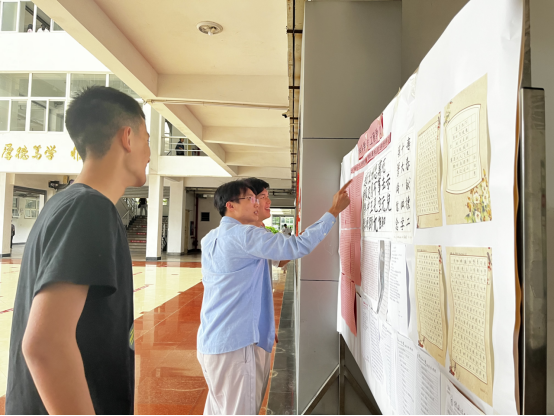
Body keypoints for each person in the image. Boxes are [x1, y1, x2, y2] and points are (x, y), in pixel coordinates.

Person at [6, 86, 150, 415]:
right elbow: (44, 345)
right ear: (128, 137)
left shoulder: (66, 203)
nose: (149, 152)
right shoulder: (88, 208)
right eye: (147, 139)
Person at [197, 178, 351, 415]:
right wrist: (333, 211)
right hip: (238, 345)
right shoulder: (246, 235)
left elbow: (246, 277)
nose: (257, 203)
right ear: (231, 205)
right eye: (251, 199)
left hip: (212, 340)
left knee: (218, 409)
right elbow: (297, 246)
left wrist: (262, 323)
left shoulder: (210, 238)